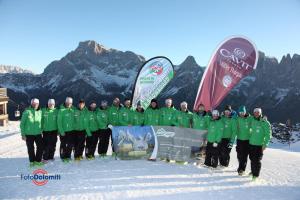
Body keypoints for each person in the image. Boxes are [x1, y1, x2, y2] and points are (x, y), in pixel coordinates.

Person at [248, 108, 272, 181]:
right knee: (252, 159)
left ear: (260, 113)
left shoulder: (265, 122)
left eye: (258, 112)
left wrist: (265, 145)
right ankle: (252, 171)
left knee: (257, 160)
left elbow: (268, 135)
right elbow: (245, 118)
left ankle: (255, 175)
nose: (256, 113)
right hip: (251, 143)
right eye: (255, 112)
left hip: (259, 145)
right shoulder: (252, 120)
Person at [20, 98, 44, 167]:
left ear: (38, 104)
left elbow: (42, 121)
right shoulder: (27, 111)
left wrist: (41, 129)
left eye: (36, 103)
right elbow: (22, 124)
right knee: (30, 148)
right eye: (33, 103)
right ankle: (32, 162)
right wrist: (23, 134)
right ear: (31, 104)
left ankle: (38, 161)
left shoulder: (40, 112)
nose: (35, 105)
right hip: (29, 134)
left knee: (40, 147)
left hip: (38, 133)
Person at [231, 105, 252, 175]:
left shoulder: (249, 118)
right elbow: (232, 121)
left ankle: (241, 169)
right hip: (239, 140)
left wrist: (263, 118)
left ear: (245, 112)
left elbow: (257, 119)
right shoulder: (237, 119)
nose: (241, 114)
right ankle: (241, 165)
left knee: (244, 155)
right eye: (240, 112)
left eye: (242, 112)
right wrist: (233, 117)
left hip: (247, 140)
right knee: (239, 155)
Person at [57, 97, 75, 162]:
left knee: (70, 144)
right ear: (65, 102)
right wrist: (61, 131)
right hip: (64, 131)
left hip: (71, 131)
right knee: (63, 144)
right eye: (67, 103)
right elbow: (59, 122)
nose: (69, 104)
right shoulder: (61, 110)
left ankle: (68, 156)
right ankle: (63, 156)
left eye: (70, 103)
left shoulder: (73, 110)